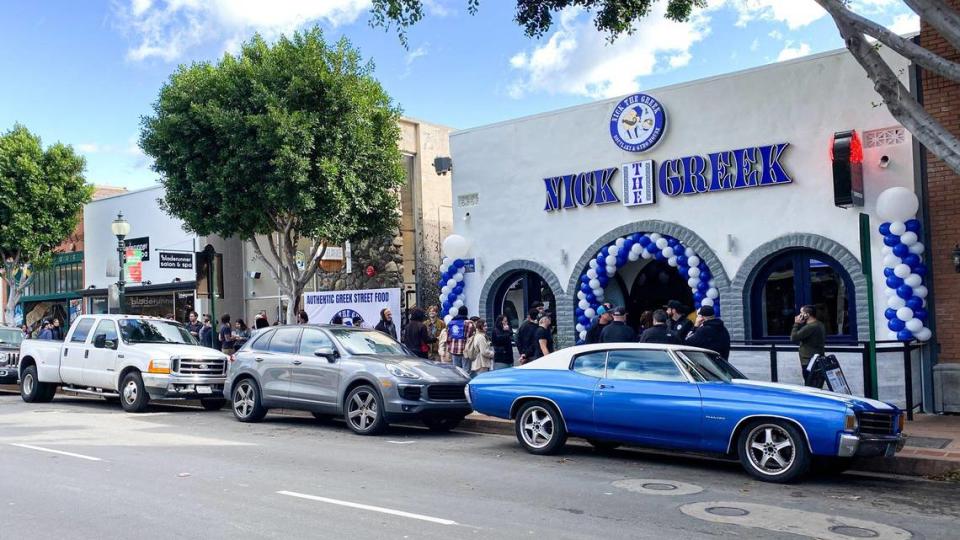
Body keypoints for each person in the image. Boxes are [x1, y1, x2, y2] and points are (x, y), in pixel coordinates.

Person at [791, 305, 826, 383]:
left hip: (809, 361)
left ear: (807, 314)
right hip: (817, 359)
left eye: (801, 313)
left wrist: (796, 324)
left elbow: (793, 337)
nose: (799, 316)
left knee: (810, 385)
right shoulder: (819, 324)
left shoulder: (810, 327)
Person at [446, 306, 474, 371]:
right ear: (466, 313)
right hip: (466, 349)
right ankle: (466, 381)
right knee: (466, 370)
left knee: (456, 370)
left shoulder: (451, 323)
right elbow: (471, 337)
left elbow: (448, 337)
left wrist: (449, 346)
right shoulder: (469, 323)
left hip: (454, 349)